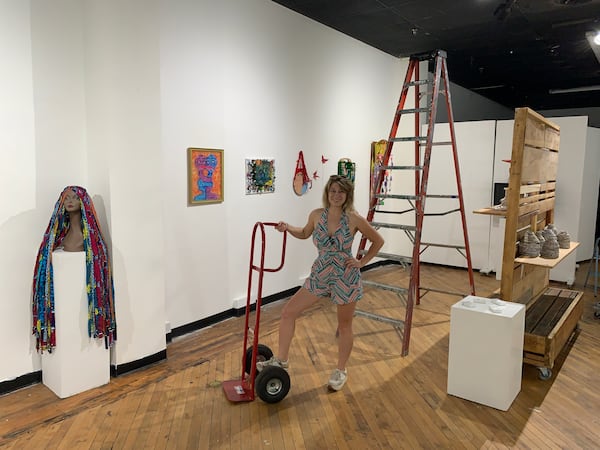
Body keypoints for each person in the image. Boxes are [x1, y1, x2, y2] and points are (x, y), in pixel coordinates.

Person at [257, 174, 384, 391]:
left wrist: (362, 262)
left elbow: (378, 240)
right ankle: (281, 359)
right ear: (327, 193)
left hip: (345, 276)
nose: (336, 195)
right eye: (332, 191)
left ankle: (341, 370)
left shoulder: (354, 218)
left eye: (341, 192)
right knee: (288, 312)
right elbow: (305, 233)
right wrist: (288, 227)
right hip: (321, 273)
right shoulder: (317, 215)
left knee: (344, 326)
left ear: (347, 195)